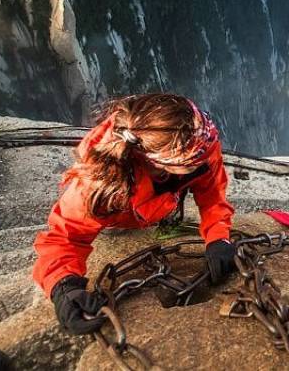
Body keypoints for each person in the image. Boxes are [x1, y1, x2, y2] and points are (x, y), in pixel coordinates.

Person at [32, 93, 235, 335]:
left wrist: (218, 237)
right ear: (154, 161)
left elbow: (212, 193)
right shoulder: (98, 184)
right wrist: (63, 285)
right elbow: (66, 235)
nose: (208, 154)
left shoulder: (197, 139)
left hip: (155, 204)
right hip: (123, 214)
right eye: (192, 162)